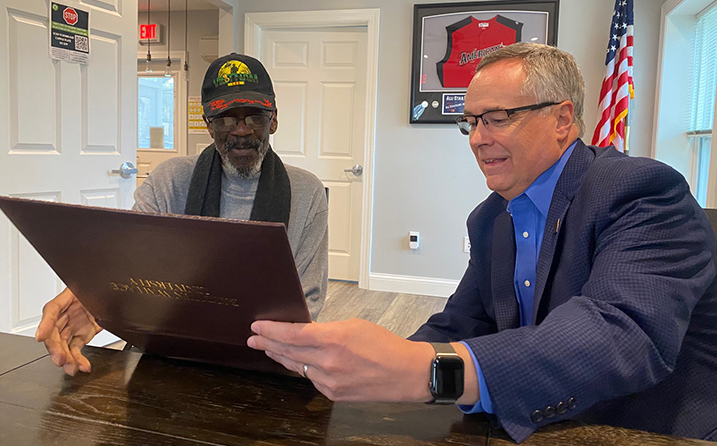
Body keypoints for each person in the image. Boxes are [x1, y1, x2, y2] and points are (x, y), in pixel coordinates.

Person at [247, 43, 717, 443]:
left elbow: (621, 334)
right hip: (534, 423)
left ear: (562, 119)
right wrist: (361, 366)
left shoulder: (642, 190)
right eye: (470, 122)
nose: (476, 139)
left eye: (496, 118)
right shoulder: (491, 218)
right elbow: (461, 324)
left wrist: (424, 371)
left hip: (645, 430)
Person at [36, 53, 329, 376]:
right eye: (227, 119)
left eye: (255, 117)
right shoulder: (169, 181)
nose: (242, 130)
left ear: (273, 120)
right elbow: (127, 263)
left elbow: (306, 304)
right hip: (166, 356)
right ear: (208, 125)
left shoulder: (306, 192)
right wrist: (95, 299)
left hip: (267, 362)